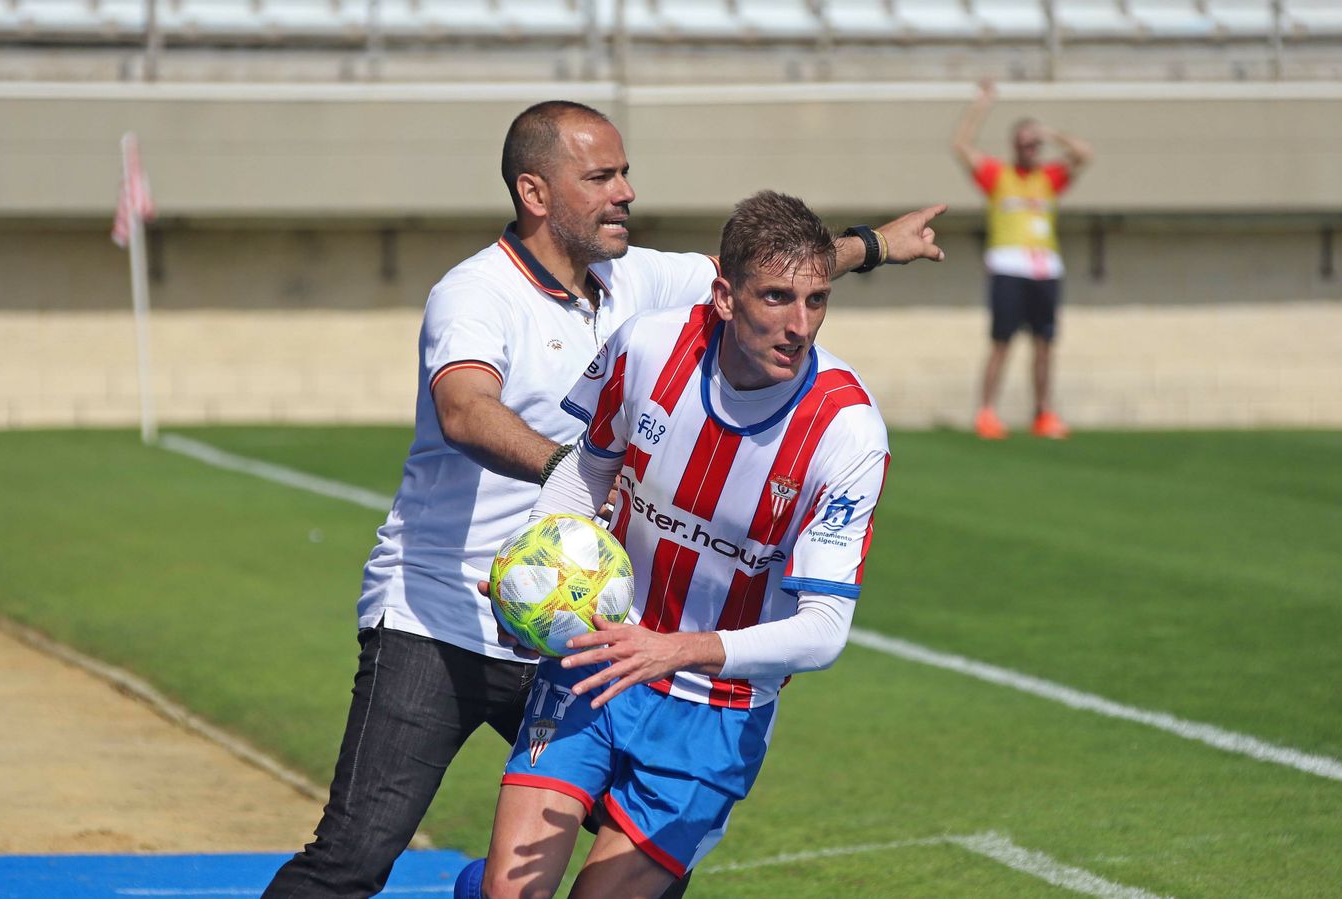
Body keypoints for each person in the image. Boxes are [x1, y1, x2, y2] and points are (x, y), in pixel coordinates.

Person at [264, 101, 945, 898]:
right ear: (536, 193)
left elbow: (774, 267)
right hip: (444, 614)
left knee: (640, 865)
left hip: (586, 627)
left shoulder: (642, 282)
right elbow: (465, 411)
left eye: (625, 172)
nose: (625, 191)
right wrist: (588, 486)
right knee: (354, 857)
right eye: (601, 177)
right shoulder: (475, 293)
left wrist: (877, 246)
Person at [461, 190, 891, 899]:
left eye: (815, 301)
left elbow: (823, 631)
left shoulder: (847, 434)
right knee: (512, 893)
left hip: (715, 712)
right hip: (598, 663)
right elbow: (588, 468)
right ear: (724, 294)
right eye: (777, 297)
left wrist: (675, 649)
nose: (798, 324)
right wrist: (532, 569)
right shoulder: (650, 345)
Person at [950, 78, 1092, 440]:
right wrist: (983, 104)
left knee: (1044, 343)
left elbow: (1084, 154)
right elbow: (961, 145)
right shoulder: (1001, 176)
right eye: (1026, 142)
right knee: (1002, 341)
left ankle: (1043, 413)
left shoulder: (1049, 178)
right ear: (1015, 145)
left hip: (1045, 268)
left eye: (1035, 143)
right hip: (1008, 267)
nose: (1031, 148)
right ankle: (986, 412)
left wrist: (1049, 131)